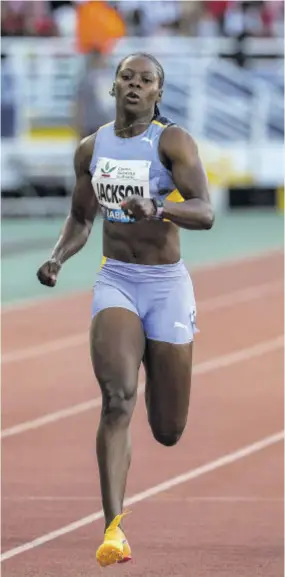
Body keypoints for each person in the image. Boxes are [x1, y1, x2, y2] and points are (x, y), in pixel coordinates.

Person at [36, 52, 214, 567]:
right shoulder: (92, 148)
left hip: (166, 286)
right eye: (127, 78)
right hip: (116, 278)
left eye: (147, 80)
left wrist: (160, 207)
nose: (136, 86)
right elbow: (79, 217)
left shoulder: (172, 142)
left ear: (159, 92)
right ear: (113, 86)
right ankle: (113, 530)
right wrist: (57, 257)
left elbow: (205, 210)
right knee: (117, 399)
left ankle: (166, 377)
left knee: (167, 429)